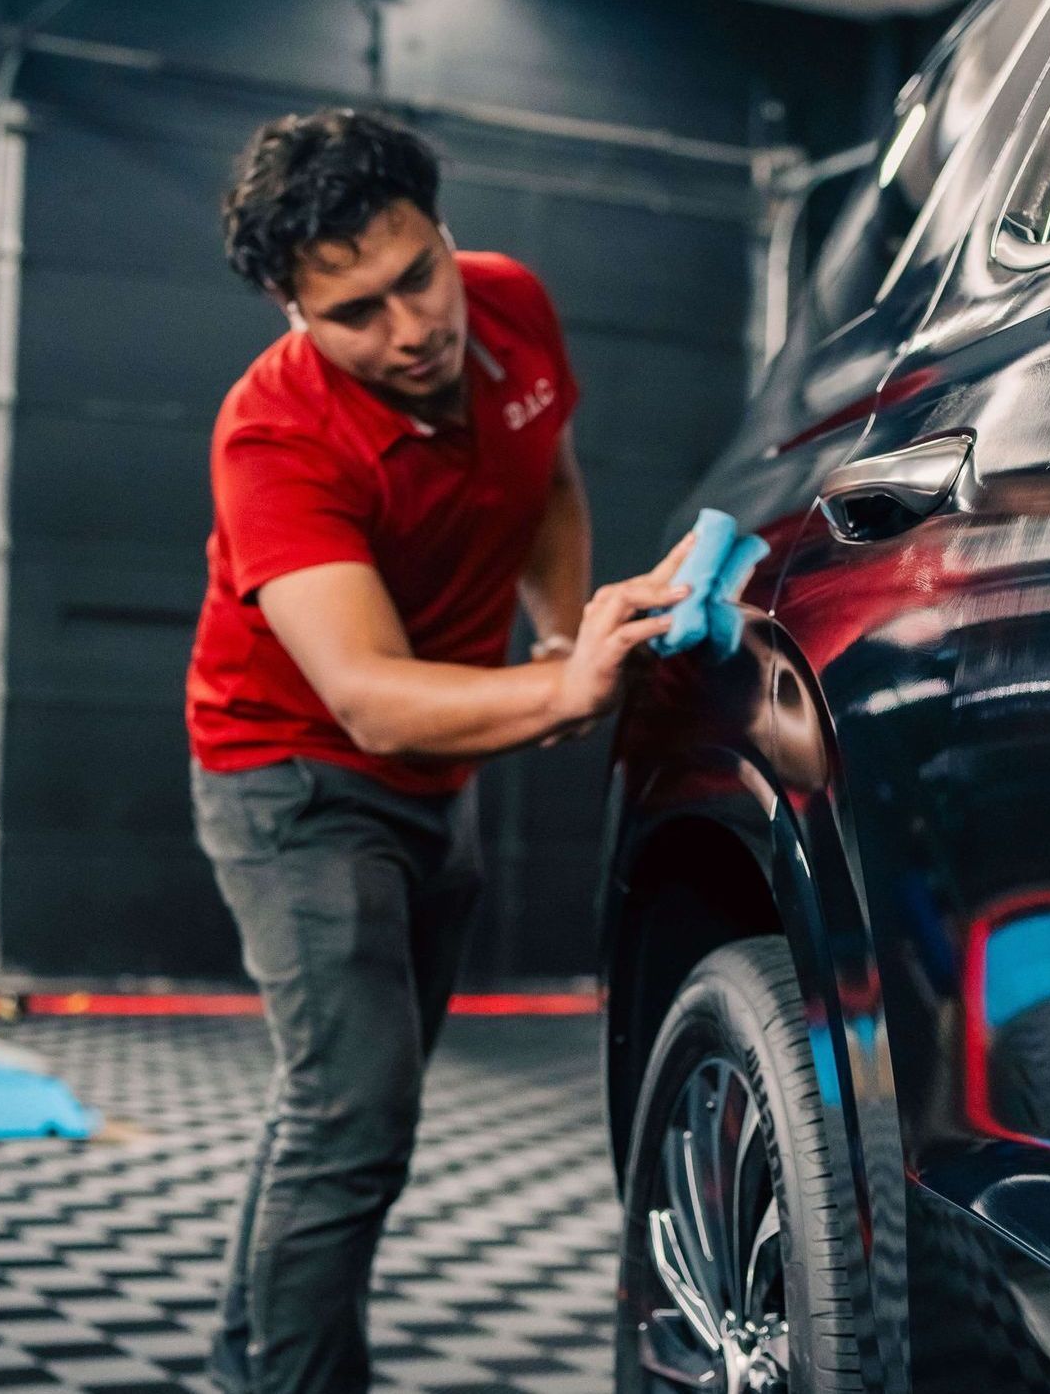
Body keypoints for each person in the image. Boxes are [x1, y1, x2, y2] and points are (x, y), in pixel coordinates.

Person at [184, 108, 692, 1394]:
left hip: (435, 773)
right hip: (292, 779)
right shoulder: (273, 437)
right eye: (355, 311)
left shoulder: (509, 304)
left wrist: (558, 637)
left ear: (446, 234)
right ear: (293, 314)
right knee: (353, 1118)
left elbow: (553, 482)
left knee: (341, 1110)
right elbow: (365, 699)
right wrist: (565, 692)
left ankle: (251, 1358)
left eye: (419, 275)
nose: (412, 329)